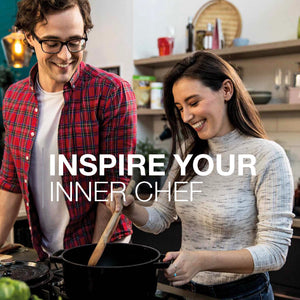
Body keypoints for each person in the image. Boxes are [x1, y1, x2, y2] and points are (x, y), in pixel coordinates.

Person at [108, 51, 294, 299]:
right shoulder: (188, 152)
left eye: (193, 103)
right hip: (191, 291)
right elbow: (161, 217)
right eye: (179, 108)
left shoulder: (267, 156)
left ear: (226, 90)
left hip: (244, 294)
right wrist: (129, 209)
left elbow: (275, 252)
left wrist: (202, 260)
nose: (186, 117)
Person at [0, 0, 136, 260]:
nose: (65, 56)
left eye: (75, 42)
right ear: (29, 37)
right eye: (52, 43)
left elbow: (114, 184)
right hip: (48, 250)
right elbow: (10, 181)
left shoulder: (111, 92)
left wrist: (92, 261)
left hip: (103, 248)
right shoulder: (14, 97)